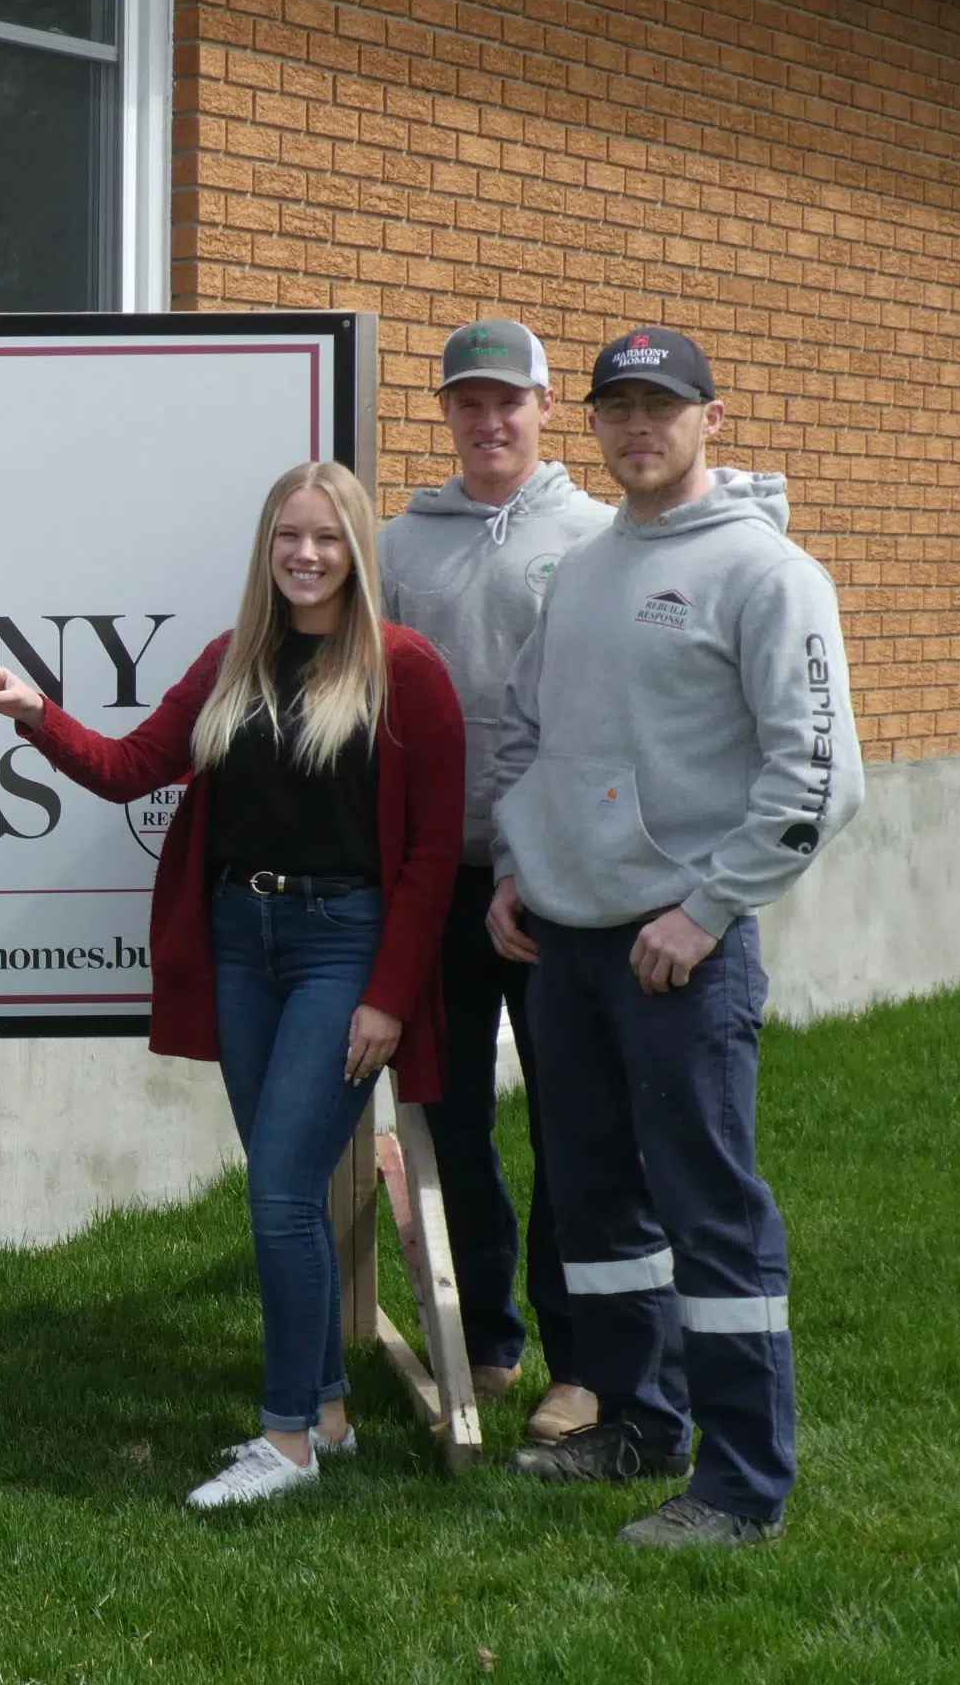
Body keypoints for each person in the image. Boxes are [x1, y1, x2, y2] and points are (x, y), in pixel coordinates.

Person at [0, 460, 463, 1509]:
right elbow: (127, 768)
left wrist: (387, 993)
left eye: (326, 538)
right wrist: (34, 712)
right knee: (286, 1191)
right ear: (266, 548)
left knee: (280, 1193)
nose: (304, 555)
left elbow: (430, 854)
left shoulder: (403, 668)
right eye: (288, 536)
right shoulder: (229, 661)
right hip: (242, 941)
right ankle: (327, 1415)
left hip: (345, 944)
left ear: (356, 552)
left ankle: (283, 1441)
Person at [488, 326, 862, 1547]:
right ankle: (636, 1423)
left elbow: (817, 780)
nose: (636, 429)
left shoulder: (769, 576)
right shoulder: (590, 565)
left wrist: (703, 912)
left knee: (708, 1211)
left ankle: (741, 1482)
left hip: (677, 954)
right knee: (595, 1208)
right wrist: (515, 867)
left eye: (661, 406)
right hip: (566, 942)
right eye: (616, 410)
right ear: (590, 424)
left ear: (712, 417)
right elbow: (537, 735)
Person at [378, 318, 614, 1446]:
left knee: (570, 1123)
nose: (487, 422)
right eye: (467, 403)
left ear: (545, 406)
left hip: (554, 889)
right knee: (446, 1121)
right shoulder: (396, 549)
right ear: (447, 414)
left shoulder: (599, 537)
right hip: (433, 883)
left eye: (506, 401)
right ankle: (483, 1336)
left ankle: (579, 1360)